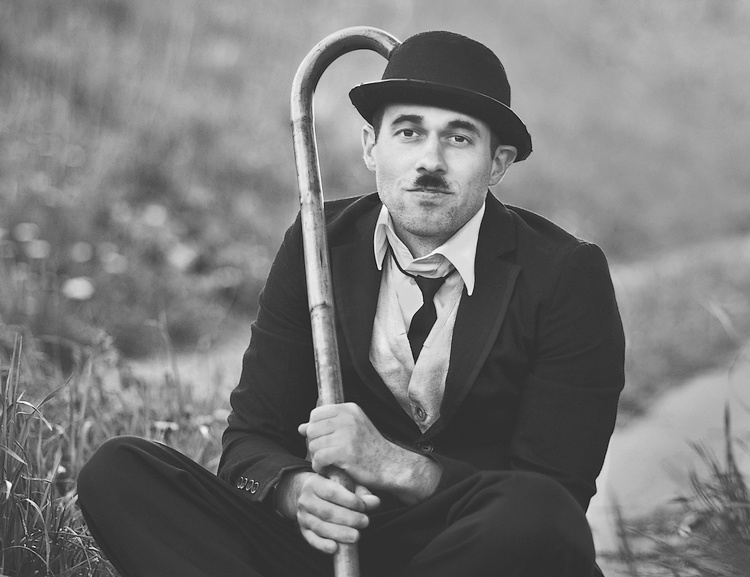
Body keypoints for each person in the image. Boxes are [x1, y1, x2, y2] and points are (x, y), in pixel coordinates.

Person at [77, 30, 625, 577]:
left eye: (459, 139)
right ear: (370, 146)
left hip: (476, 555)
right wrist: (294, 492)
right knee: (120, 470)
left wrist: (398, 467)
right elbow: (251, 440)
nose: (430, 160)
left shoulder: (565, 274)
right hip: (330, 549)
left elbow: (557, 493)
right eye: (408, 132)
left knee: (537, 512)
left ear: (498, 162)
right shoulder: (317, 242)